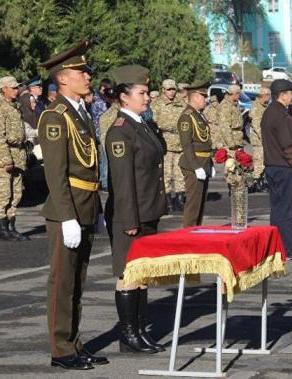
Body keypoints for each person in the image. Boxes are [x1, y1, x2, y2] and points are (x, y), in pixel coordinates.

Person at [37, 39, 108, 370]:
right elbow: (56, 172)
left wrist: (95, 207)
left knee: (78, 282)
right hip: (67, 209)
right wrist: (67, 217)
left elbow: (89, 164)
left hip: (86, 204)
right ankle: (61, 349)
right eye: (82, 71)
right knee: (62, 282)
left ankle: (73, 342)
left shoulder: (80, 114)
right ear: (63, 78)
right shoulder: (55, 117)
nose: (88, 76)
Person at [104, 65, 166, 354]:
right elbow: (123, 180)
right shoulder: (120, 132)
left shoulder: (142, 125)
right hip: (130, 213)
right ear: (123, 97)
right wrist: (129, 218)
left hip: (147, 209)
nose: (148, 97)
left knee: (142, 272)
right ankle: (128, 335)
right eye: (142, 93)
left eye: (147, 92)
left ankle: (140, 330)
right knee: (128, 274)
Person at [261, 79, 292, 261]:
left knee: (278, 209)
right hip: (284, 167)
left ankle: (278, 248)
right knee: (289, 209)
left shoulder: (269, 112)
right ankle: (289, 248)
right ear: (283, 95)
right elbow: (288, 145)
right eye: (290, 93)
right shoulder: (280, 115)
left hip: (273, 166)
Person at [177, 81, 214, 227]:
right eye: (204, 97)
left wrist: (209, 163)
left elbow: (205, 141)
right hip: (194, 164)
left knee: (200, 204)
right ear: (196, 97)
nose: (206, 100)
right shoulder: (187, 116)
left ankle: (196, 232)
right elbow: (186, 145)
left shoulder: (199, 115)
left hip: (203, 162)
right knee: (193, 205)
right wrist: (196, 166)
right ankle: (188, 235)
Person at [0, 76, 30, 241]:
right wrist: (5, 159)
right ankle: (2, 228)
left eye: (16, 87)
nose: (16, 90)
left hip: (18, 155)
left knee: (16, 193)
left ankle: (11, 226)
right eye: (12, 87)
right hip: (6, 156)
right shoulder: (1, 107)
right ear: (4, 89)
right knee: (4, 194)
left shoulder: (15, 107)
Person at [151, 79, 186, 212]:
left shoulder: (180, 103)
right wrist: (167, 127)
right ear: (163, 90)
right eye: (169, 89)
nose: (171, 92)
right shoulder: (157, 104)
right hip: (165, 142)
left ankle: (179, 198)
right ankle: (167, 201)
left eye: (173, 89)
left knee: (179, 173)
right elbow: (153, 122)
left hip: (179, 142)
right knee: (166, 174)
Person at [216, 84, 247, 210]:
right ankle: (233, 191)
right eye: (238, 93)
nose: (239, 96)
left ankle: (237, 190)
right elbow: (224, 127)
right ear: (232, 94)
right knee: (231, 169)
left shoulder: (234, 104)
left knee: (239, 168)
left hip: (238, 141)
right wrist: (231, 145)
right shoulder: (225, 106)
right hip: (231, 143)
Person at [249, 87, 270, 191]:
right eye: (268, 95)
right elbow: (257, 125)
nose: (269, 98)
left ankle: (260, 181)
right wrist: (265, 137)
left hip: (264, 139)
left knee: (263, 161)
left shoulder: (263, 106)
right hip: (259, 140)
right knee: (259, 162)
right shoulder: (256, 107)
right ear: (263, 96)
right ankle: (256, 183)